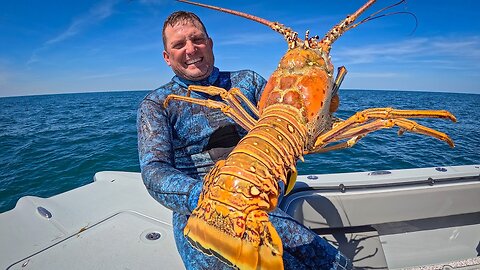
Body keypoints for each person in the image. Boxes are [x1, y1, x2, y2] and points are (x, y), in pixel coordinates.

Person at [137, 11, 352, 270]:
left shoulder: (247, 81)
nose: (191, 49)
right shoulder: (157, 104)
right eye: (179, 44)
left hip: (264, 195)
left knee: (334, 264)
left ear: (210, 43)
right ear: (167, 57)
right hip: (204, 209)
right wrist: (204, 195)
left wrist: (327, 99)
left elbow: (293, 124)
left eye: (197, 39)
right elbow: (154, 170)